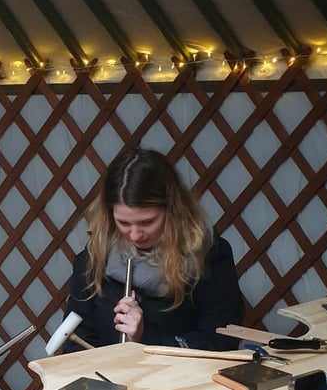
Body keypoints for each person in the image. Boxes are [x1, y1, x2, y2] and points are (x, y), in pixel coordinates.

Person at [64, 146, 243, 351]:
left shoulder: (208, 257)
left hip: (181, 372)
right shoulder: (94, 258)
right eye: (123, 223)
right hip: (108, 372)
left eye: (147, 222)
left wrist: (146, 337)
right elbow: (74, 341)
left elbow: (220, 342)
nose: (135, 235)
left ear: (172, 210)